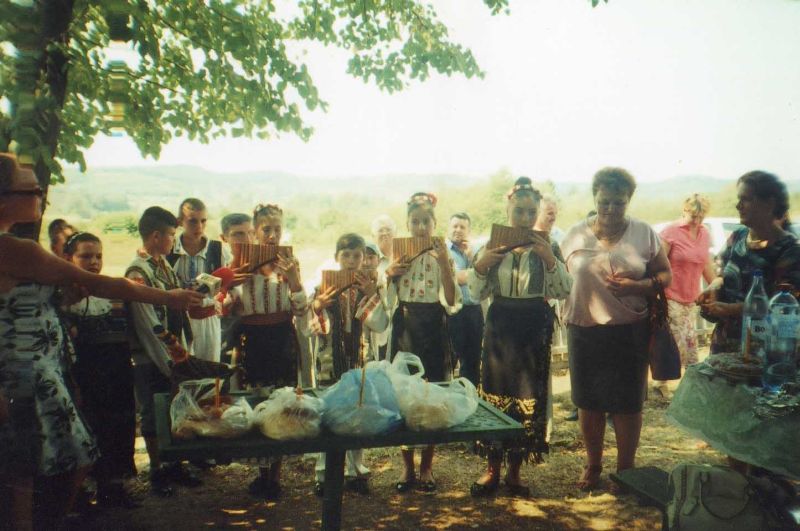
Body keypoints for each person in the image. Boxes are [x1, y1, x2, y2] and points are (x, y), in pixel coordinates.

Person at [0, 153, 202, 530]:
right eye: (31, 189)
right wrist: (169, 297)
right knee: (60, 462)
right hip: (22, 374)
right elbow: (102, 284)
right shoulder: (16, 248)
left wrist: (59, 301)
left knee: (28, 471)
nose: (41, 195)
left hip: (36, 371)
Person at [561, 167, 672, 491]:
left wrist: (638, 285)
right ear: (594, 198)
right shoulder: (573, 235)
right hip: (584, 328)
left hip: (629, 330)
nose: (610, 209)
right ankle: (592, 466)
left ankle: (626, 471)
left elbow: (666, 276)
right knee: (589, 403)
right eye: (604, 202)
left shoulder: (644, 233)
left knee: (627, 404)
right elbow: (558, 276)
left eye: (618, 203)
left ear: (629, 200)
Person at [468, 177, 572, 497]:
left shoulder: (549, 246)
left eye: (531, 212)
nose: (525, 219)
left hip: (533, 328)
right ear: (508, 209)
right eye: (519, 211)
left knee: (527, 396)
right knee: (495, 396)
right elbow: (475, 293)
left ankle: (515, 472)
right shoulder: (491, 244)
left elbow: (564, 290)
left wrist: (550, 260)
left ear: (538, 212)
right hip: (500, 326)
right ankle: (492, 470)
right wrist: (482, 266)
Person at [224, 203, 311, 499]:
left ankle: (276, 474)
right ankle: (262, 473)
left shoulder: (290, 261)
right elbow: (223, 307)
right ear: (255, 232)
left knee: (282, 401)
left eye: (277, 229)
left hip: (282, 340)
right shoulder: (241, 262)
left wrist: (295, 280)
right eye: (266, 230)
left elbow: (301, 308)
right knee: (257, 402)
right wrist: (231, 283)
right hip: (253, 340)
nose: (273, 235)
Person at [386, 192, 461, 493]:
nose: (419, 227)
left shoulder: (443, 255)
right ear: (407, 224)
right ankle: (407, 468)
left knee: (432, 396)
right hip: (405, 327)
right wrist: (391, 275)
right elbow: (387, 300)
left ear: (434, 224)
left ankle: (427, 467)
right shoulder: (397, 256)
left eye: (425, 222)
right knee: (405, 396)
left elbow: (453, 300)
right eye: (414, 222)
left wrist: (444, 263)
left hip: (434, 326)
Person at [126, 206, 204, 497]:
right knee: (153, 410)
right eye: (171, 235)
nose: (175, 240)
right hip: (153, 355)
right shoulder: (138, 270)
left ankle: (174, 463)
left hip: (171, 352)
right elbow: (147, 321)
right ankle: (158, 470)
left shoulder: (162, 265)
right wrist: (168, 357)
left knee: (172, 408)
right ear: (156, 236)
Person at [62, 232, 139, 508]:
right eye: (85, 256)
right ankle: (79, 493)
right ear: (68, 258)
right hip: (84, 376)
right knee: (86, 430)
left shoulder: (116, 294)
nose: (94, 262)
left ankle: (113, 488)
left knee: (118, 426)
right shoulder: (62, 301)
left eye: (98, 256)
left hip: (117, 373)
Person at [310, 233, 388, 497]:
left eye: (358, 256)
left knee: (358, 412)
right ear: (336, 258)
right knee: (328, 412)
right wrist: (318, 306)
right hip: (329, 359)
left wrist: (371, 295)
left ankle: (357, 471)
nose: (353, 261)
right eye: (347, 255)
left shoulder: (368, 287)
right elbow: (314, 329)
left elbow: (379, 324)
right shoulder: (322, 287)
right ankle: (324, 473)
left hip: (359, 357)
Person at [697, 171, 800, 354]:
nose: (738, 206)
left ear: (769, 204)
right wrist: (713, 286)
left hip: (762, 348)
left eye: (746, 199)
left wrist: (730, 309)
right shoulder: (737, 237)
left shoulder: (790, 249)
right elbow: (722, 275)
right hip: (724, 343)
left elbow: (782, 305)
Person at [656, 194, 716, 397]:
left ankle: (678, 382)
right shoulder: (670, 231)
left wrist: (715, 286)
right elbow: (658, 264)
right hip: (670, 295)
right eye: (694, 216)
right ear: (685, 211)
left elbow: (705, 263)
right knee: (677, 340)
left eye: (701, 217)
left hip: (691, 298)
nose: (697, 221)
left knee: (688, 340)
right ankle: (667, 383)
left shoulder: (704, 234)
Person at [168, 198, 227, 362]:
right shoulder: (170, 249)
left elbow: (228, 285)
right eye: (192, 221)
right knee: (184, 370)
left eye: (203, 221)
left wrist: (216, 299)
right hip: (179, 321)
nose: (199, 227)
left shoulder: (217, 249)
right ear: (180, 222)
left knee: (210, 370)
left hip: (208, 320)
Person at [446, 212, 483, 386]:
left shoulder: (474, 251)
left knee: (472, 362)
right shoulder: (443, 252)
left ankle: (472, 400)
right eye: (455, 226)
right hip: (453, 312)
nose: (458, 230)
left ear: (468, 230)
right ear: (448, 228)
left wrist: (471, 258)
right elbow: (455, 277)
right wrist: (476, 272)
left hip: (474, 312)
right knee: (449, 360)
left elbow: (483, 278)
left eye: (462, 227)